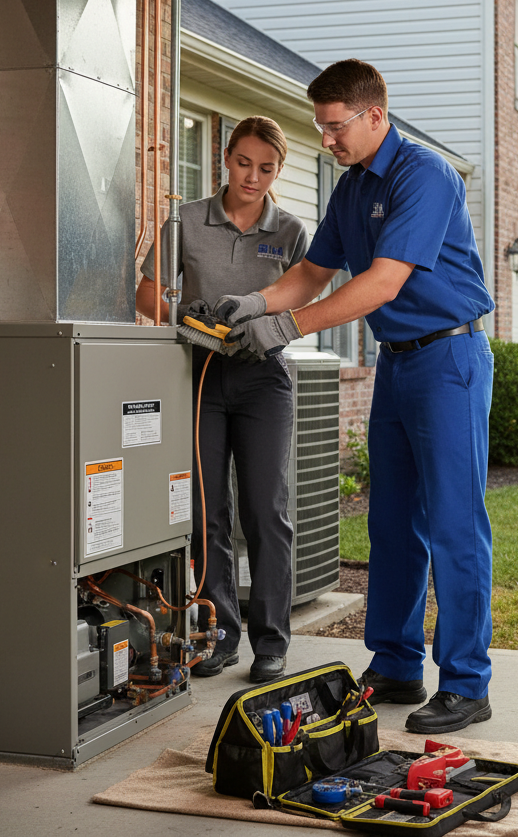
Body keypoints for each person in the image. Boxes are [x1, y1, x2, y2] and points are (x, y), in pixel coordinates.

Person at [213, 60, 495, 734]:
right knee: (392, 523)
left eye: (336, 127)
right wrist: (253, 303)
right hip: (397, 364)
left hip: (449, 360)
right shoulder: (352, 186)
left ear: (374, 116)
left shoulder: (424, 176)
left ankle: (466, 683)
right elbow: (312, 272)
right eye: (322, 127)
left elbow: (381, 283)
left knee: (454, 525)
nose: (327, 140)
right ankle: (396, 664)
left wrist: (285, 328)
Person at [136, 116, 308, 684]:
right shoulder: (186, 220)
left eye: (266, 168)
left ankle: (271, 642)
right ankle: (219, 634)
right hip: (200, 375)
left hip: (264, 378)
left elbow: (300, 301)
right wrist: (185, 317)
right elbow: (146, 292)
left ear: (278, 171)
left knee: (266, 511)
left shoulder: (290, 232)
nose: (252, 177)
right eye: (244, 163)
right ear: (226, 157)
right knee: (204, 511)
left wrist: (264, 324)